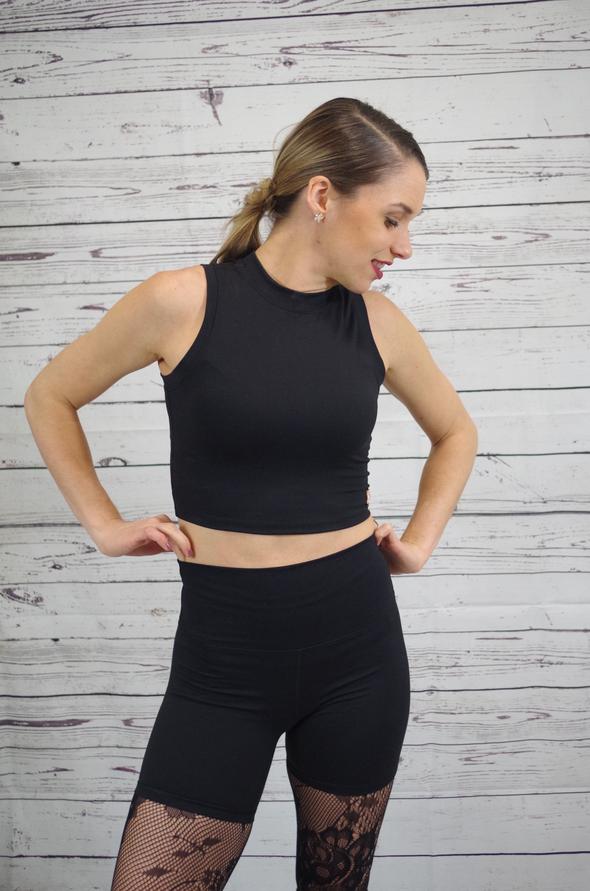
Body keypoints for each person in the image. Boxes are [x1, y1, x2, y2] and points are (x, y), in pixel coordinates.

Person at [24, 97, 478, 890]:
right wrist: (101, 523)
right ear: (324, 194)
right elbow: (49, 395)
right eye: (394, 219)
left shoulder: (377, 323)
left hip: (360, 656)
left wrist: (421, 539)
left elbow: (457, 432)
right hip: (221, 667)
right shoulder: (182, 301)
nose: (405, 247)